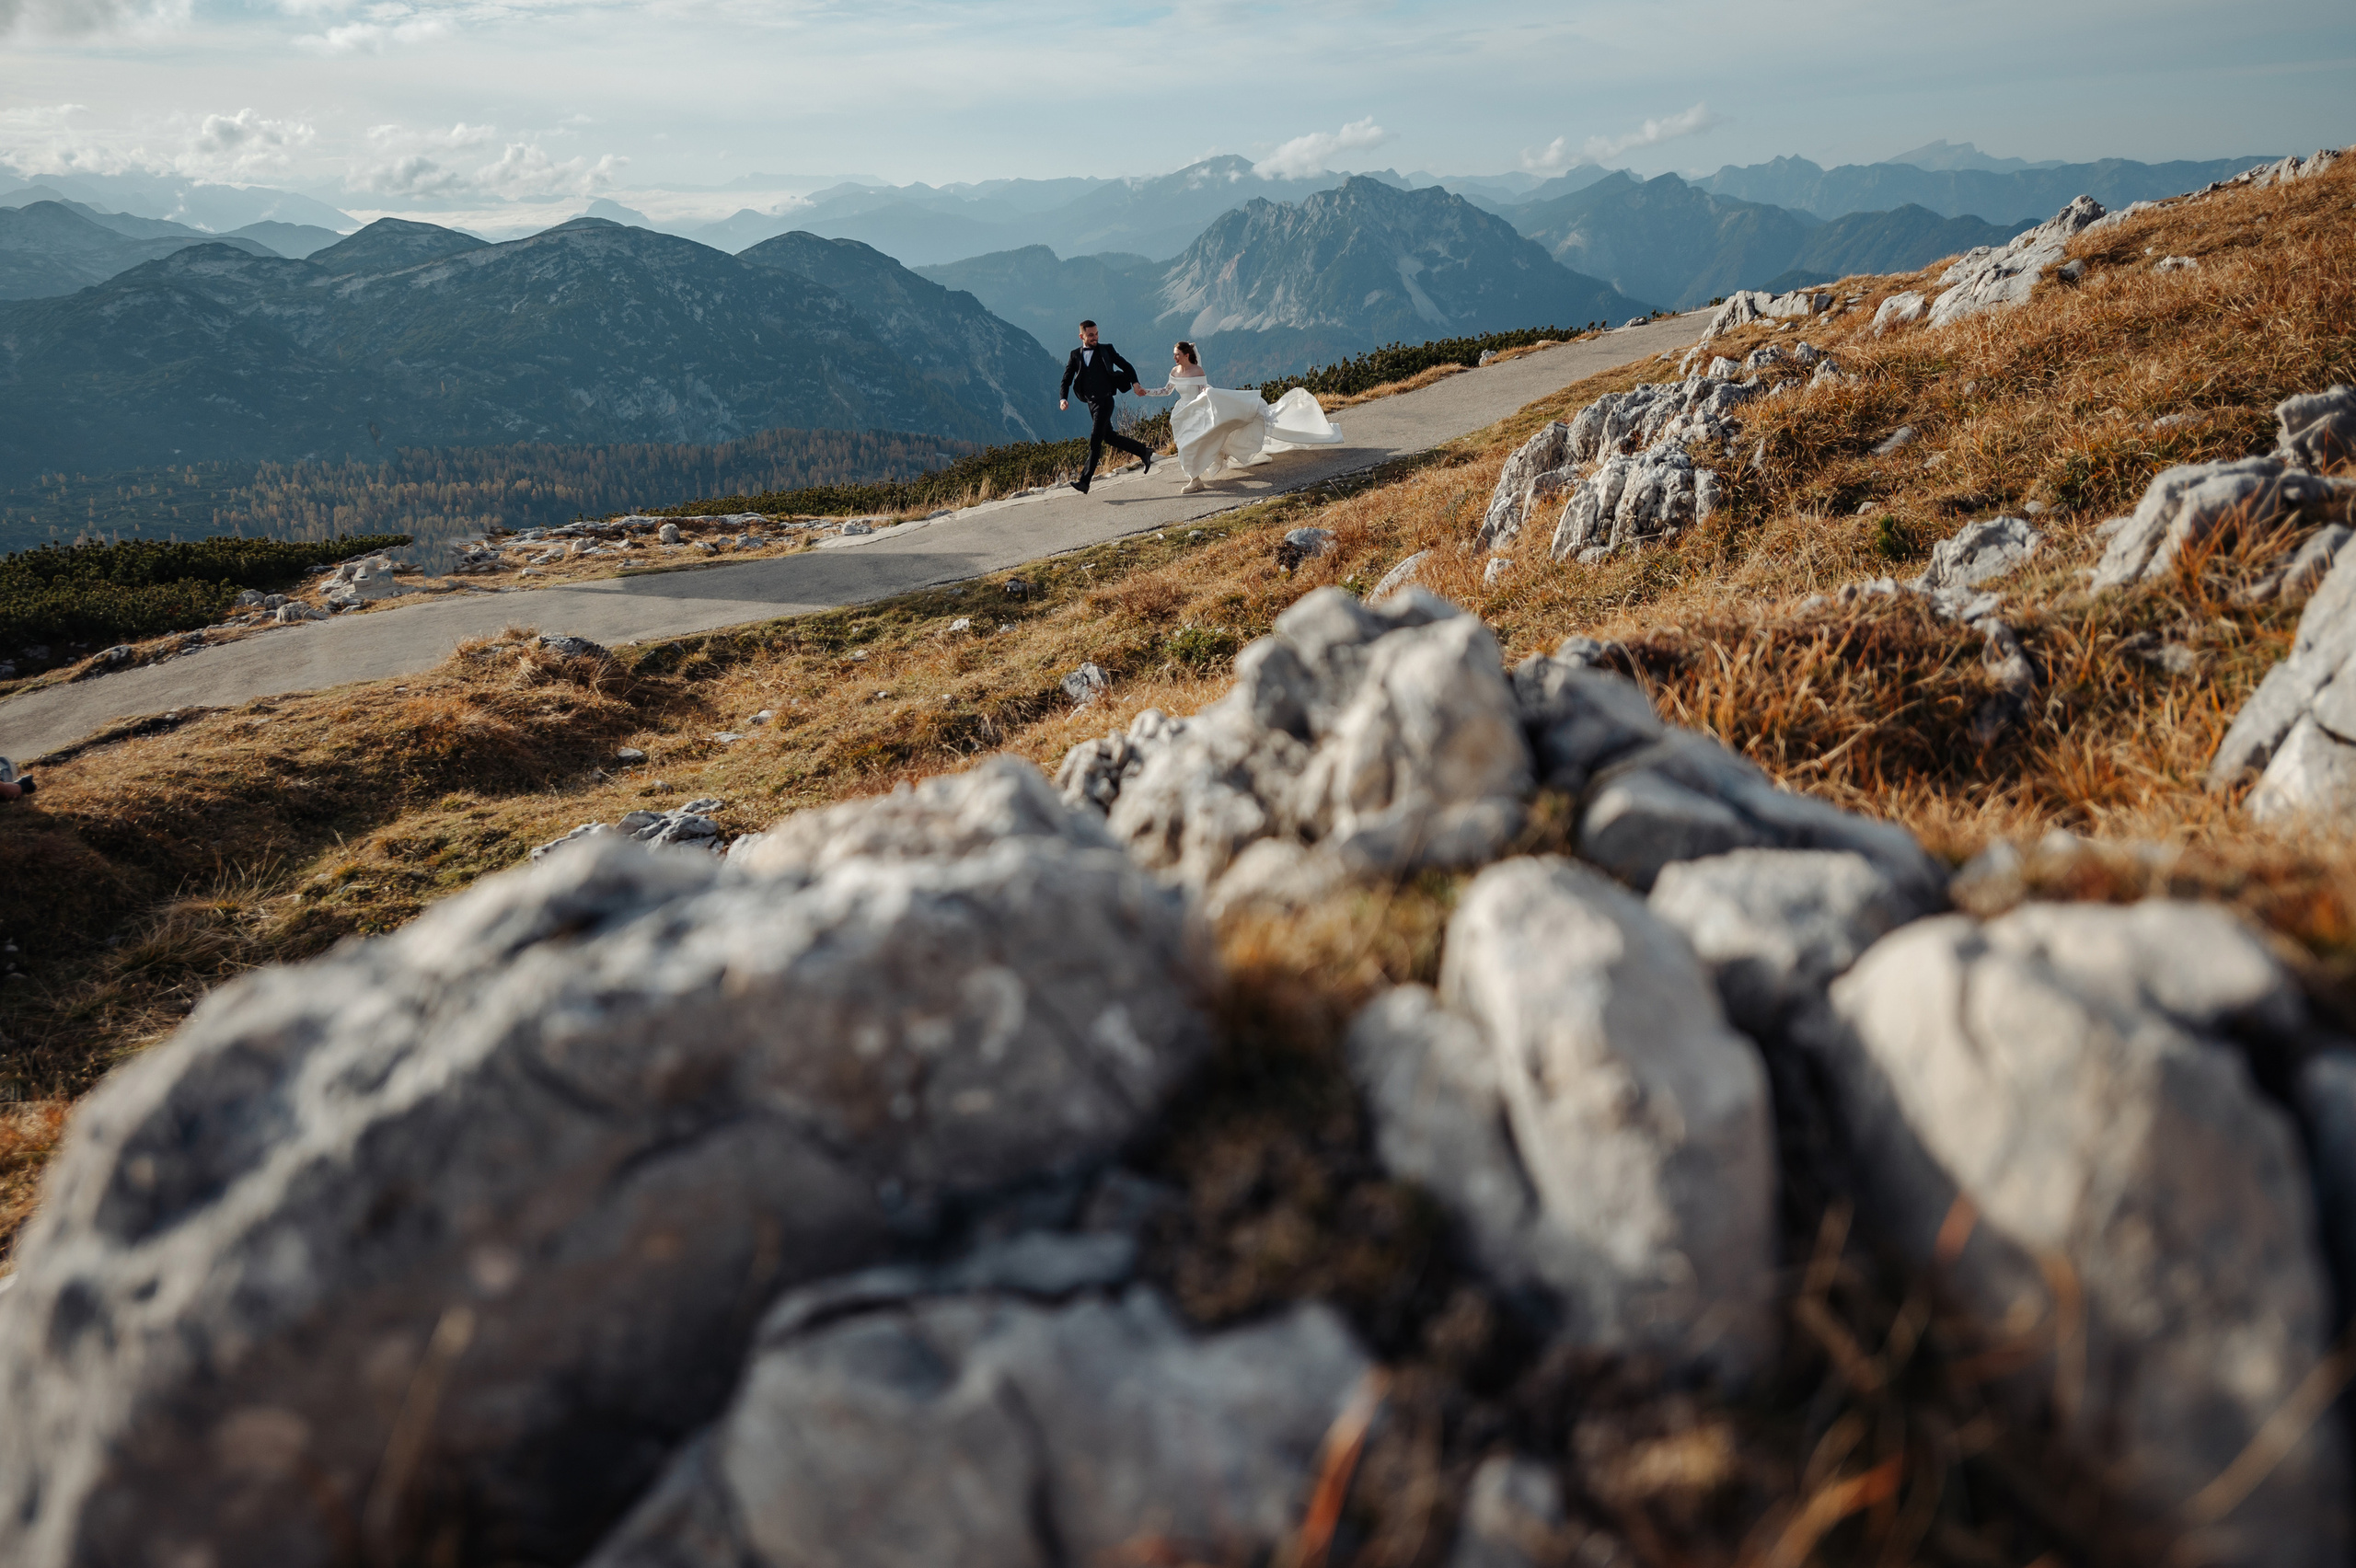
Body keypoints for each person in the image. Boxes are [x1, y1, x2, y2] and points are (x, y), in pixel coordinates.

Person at [1134, 340, 1345, 493]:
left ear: (1186, 355)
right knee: (1185, 444)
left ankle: (1195, 478)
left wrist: (1214, 397)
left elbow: (1204, 389)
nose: (1174, 357)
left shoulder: (1197, 371)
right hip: (1183, 412)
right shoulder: (1175, 371)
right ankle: (1195, 477)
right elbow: (1167, 390)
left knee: (1193, 444)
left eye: (1177, 354)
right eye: (1174, 354)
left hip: (1197, 410)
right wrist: (1147, 391)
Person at [1058, 320, 1153, 495]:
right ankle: (1143, 451)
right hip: (1091, 403)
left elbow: (1126, 365)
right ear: (1082, 336)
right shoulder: (1075, 355)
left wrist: (1135, 383)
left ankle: (1085, 481)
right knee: (1109, 437)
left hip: (1106, 400)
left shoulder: (1106, 349)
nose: (1095, 337)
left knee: (1095, 438)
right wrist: (1063, 399)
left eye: (1096, 334)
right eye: (1091, 335)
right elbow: (1066, 379)